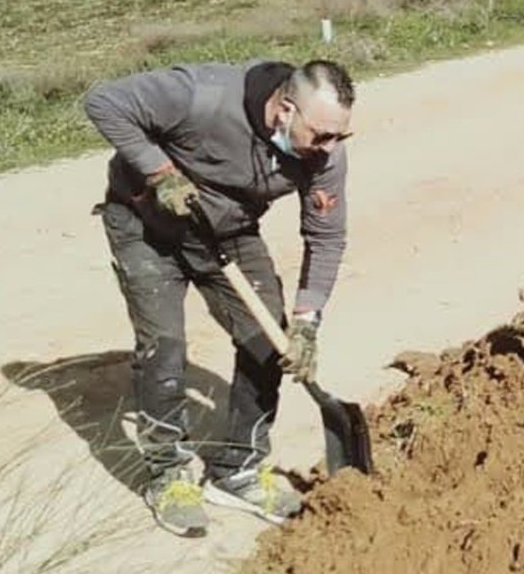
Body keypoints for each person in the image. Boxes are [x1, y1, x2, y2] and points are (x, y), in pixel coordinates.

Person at [84, 58, 355, 536]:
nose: (329, 148)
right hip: (143, 224)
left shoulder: (325, 156)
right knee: (164, 347)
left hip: (226, 233)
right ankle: (167, 473)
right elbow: (104, 102)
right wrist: (160, 172)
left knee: (268, 343)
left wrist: (307, 322)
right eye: (321, 135)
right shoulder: (202, 96)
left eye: (339, 137)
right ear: (285, 110)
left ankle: (238, 470)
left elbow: (326, 238)